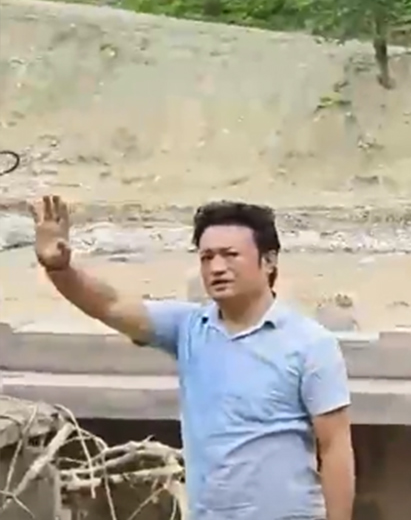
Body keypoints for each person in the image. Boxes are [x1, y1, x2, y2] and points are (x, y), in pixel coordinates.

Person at [32, 196, 354, 520]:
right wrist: (59, 268)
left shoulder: (311, 344)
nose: (216, 267)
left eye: (230, 255)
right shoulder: (188, 328)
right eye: (206, 257)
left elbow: (335, 448)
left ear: (269, 261)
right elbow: (110, 305)